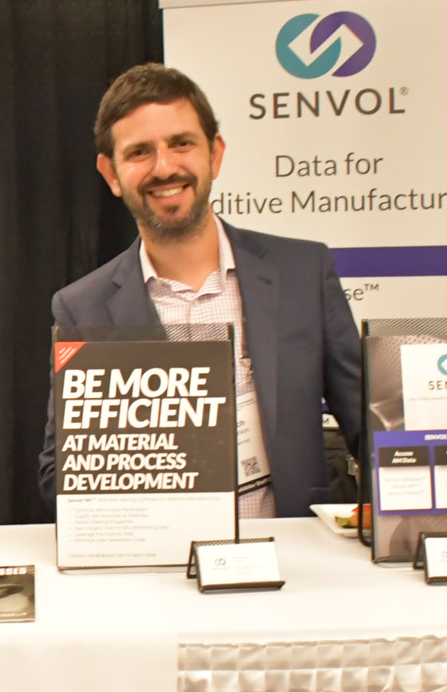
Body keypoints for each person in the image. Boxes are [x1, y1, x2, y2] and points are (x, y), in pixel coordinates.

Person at [38, 63, 363, 519]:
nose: (164, 167)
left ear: (215, 153)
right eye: (139, 152)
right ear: (111, 173)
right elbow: (60, 477)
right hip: (160, 558)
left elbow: (370, 429)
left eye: (181, 143)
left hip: (291, 552)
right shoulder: (82, 308)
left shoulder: (304, 273)